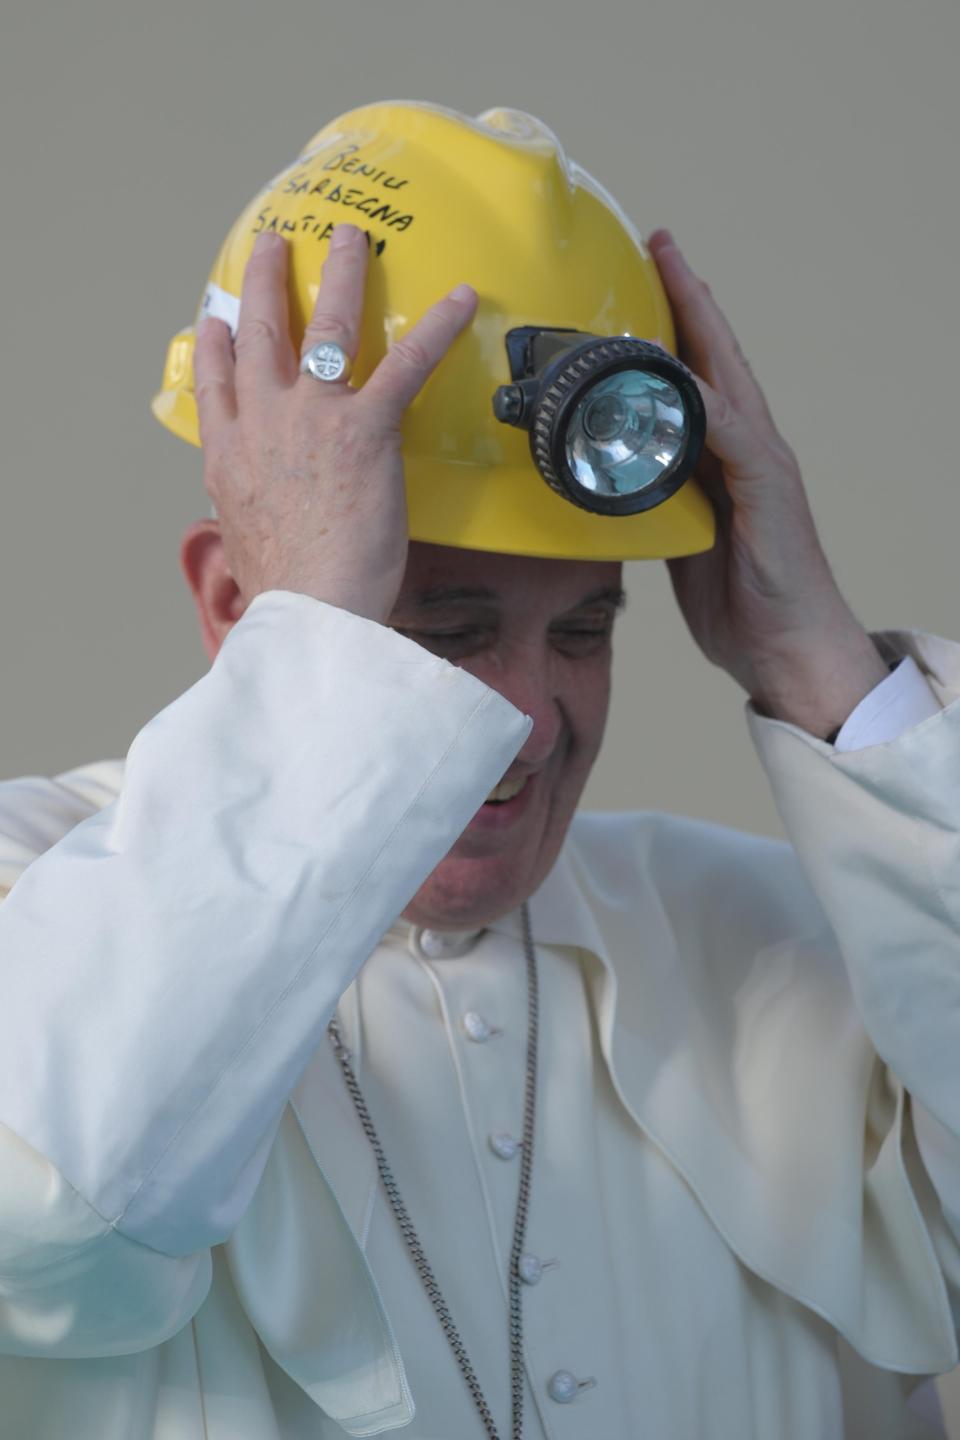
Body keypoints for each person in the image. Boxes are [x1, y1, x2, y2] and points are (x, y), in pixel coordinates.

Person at [0, 100, 958, 1439]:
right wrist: (318, 655)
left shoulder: (763, 946)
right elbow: (51, 1223)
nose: (524, 714)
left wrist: (820, 662)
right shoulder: (30, 896)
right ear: (238, 602)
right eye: (438, 638)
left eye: (582, 631)